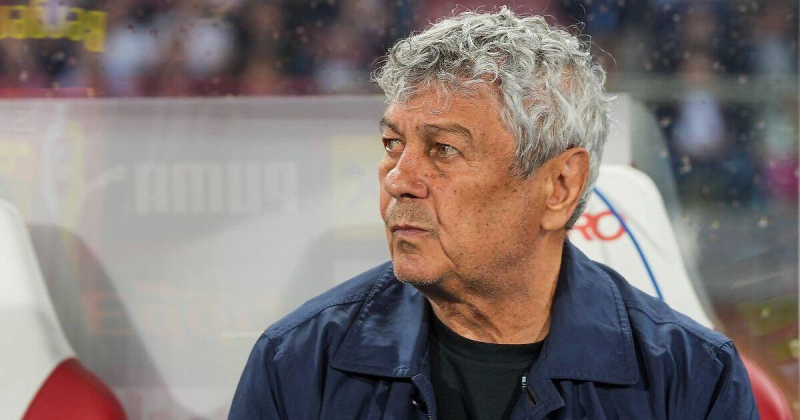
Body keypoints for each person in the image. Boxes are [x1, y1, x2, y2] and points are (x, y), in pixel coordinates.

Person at [229, 8, 757, 419]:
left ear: (559, 186)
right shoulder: (298, 362)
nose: (398, 180)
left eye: (443, 150)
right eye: (393, 144)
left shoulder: (691, 377)